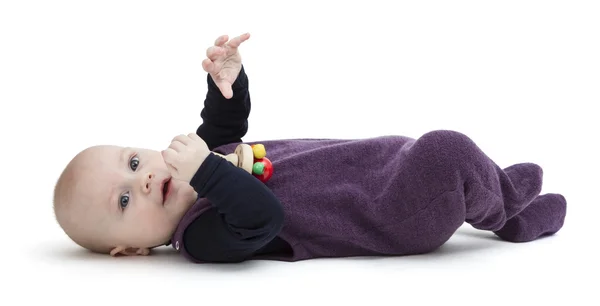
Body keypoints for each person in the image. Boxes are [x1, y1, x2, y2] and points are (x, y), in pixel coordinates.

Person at [53, 33, 567, 263]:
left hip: (380, 165)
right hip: (388, 215)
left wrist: (227, 84)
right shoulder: (201, 236)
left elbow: (227, 123)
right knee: (446, 151)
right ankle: (508, 217)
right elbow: (262, 217)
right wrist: (207, 172)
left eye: (133, 162)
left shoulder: (197, 162)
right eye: (124, 200)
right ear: (133, 252)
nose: (141, 179)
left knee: (430, 152)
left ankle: (497, 188)